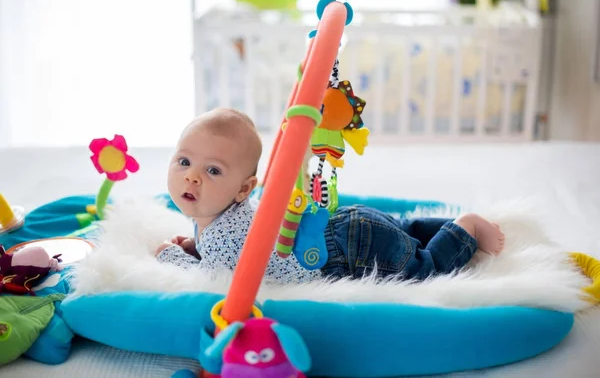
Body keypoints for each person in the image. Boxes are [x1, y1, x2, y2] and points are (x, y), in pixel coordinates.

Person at [156, 108, 505, 284]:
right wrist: (193, 244)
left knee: (424, 271)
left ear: (245, 189)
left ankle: (465, 229)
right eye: (184, 161)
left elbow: (211, 280)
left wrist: (171, 255)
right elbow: (233, 249)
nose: (192, 176)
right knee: (406, 230)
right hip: (345, 227)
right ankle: (443, 224)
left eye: (212, 170)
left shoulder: (218, 237)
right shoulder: (221, 218)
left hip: (348, 254)